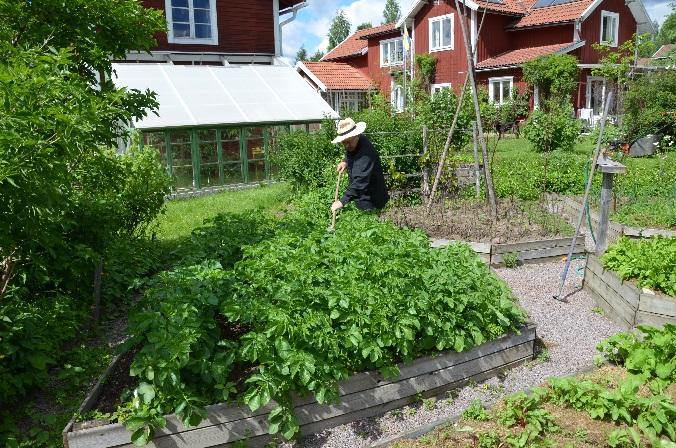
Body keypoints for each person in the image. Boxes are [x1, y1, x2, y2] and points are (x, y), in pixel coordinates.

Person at [330, 118, 389, 213]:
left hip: (371, 198)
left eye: (348, 142)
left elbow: (360, 181)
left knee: (369, 225)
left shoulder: (366, 154)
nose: (346, 145)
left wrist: (342, 201)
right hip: (361, 194)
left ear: (357, 136)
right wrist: (345, 161)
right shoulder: (355, 141)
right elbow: (350, 152)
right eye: (343, 142)